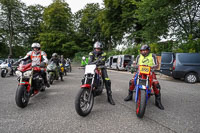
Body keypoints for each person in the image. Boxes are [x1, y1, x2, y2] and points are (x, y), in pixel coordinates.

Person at [124, 44, 164, 110]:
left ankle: (158, 101)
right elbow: (135, 64)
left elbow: (157, 64)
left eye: (145, 50)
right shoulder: (138, 56)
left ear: (148, 50)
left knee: (156, 84)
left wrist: (152, 67)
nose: (143, 52)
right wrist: (134, 66)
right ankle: (130, 95)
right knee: (132, 81)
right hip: (140, 71)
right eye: (142, 50)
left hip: (150, 72)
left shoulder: (153, 55)